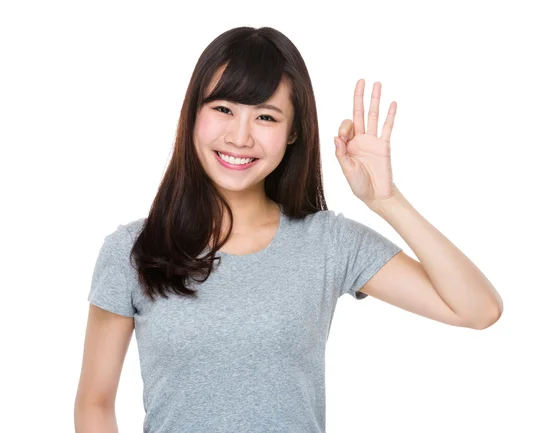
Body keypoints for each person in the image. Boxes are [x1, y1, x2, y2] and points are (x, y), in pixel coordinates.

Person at [74, 25, 502, 433]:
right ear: (193, 115)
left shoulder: (329, 243)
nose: (240, 137)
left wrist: (385, 201)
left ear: (293, 132)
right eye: (223, 109)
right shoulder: (132, 250)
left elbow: (478, 309)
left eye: (265, 117)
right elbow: (94, 402)